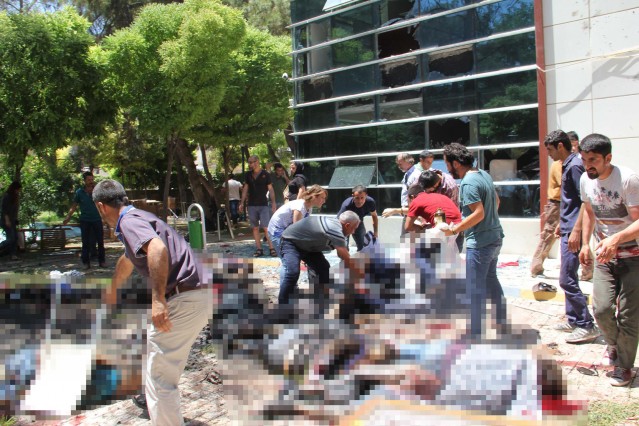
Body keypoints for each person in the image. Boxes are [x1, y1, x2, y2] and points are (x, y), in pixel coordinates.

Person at [94, 179, 210, 424]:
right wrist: (113, 288)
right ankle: (148, 398)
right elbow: (128, 259)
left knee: (160, 378)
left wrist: (157, 300)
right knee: (155, 358)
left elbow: (156, 249)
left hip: (183, 296)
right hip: (196, 292)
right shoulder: (139, 217)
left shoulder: (128, 222)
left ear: (101, 207)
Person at [578, 133, 639, 386]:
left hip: (634, 257)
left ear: (608, 158)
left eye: (593, 160)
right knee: (601, 309)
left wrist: (616, 240)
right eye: (584, 160)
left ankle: (624, 367)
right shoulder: (586, 179)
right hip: (605, 256)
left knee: (629, 316)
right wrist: (585, 244)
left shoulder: (627, 179)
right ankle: (614, 344)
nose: (587, 165)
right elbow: (589, 212)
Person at [442, 143, 506, 339]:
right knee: (491, 280)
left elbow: (478, 213)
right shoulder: (483, 175)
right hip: (495, 237)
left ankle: (475, 333)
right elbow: (496, 202)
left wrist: (454, 229)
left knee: (474, 288)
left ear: (455, 163)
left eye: (447, 164)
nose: (447, 169)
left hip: (480, 243)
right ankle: (501, 321)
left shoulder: (468, 183)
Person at [544, 130, 598, 344]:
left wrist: (576, 231)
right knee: (569, 277)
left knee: (566, 279)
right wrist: (561, 223)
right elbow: (571, 201)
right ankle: (574, 319)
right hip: (567, 227)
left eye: (550, 149)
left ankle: (586, 324)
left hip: (573, 231)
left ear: (560, 146)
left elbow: (586, 201)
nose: (548, 154)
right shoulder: (567, 165)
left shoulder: (575, 166)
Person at [278, 211, 361, 305]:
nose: (353, 232)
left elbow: (343, 255)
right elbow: (345, 256)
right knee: (292, 272)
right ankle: (283, 305)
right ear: (347, 225)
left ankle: (321, 301)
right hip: (291, 242)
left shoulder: (337, 228)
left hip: (308, 246)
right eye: (354, 228)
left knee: (323, 269)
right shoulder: (334, 228)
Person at [268, 185, 327, 256]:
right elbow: (297, 231)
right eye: (322, 198)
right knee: (289, 258)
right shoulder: (300, 207)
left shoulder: (309, 208)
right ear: (314, 196)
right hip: (277, 232)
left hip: (286, 231)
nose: (324, 201)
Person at [63, 172, 106, 269]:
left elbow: (103, 205)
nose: (91, 182)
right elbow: (74, 206)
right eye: (89, 180)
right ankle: (86, 262)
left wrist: (105, 217)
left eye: (92, 179)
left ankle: (102, 261)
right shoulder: (79, 192)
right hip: (85, 220)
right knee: (85, 242)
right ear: (84, 181)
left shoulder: (97, 192)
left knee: (100, 241)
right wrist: (68, 217)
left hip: (97, 219)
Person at [567, 130, 594, 281]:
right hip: (574, 212)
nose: (587, 164)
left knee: (582, 244)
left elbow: (583, 200)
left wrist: (577, 228)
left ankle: (587, 271)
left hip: (579, 213)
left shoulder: (576, 166)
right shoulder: (570, 165)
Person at [405, 183, 463, 251]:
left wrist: (421, 227)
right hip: (459, 227)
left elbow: (408, 227)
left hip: (443, 230)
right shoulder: (439, 196)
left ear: (411, 197)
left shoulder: (416, 201)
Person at [240, 155, 277, 257]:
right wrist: (242, 202)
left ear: (257, 162)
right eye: (249, 162)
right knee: (255, 228)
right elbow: (245, 189)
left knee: (266, 227)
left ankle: (272, 248)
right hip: (251, 205)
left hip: (263, 204)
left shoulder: (265, 174)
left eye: (252, 162)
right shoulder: (248, 175)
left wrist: (273, 202)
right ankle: (259, 249)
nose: (250, 164)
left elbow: (271, 189)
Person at [530, 159, 562, 277]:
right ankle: (536, 266)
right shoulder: (558, 164)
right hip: (557, 203)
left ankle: (587, 269)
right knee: (548, 235)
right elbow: (564, 183)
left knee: (578, 235)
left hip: (564, 203)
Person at [336, 185, 379, 251]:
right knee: (344, 247)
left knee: (363, 247)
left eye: (362, 198)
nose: (360, 201)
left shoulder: (370, 202)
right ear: (353, 196)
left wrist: (375, 232)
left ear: (366, 196)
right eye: (357, 198)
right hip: (345, 225)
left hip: (358, 222)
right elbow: (338, 221)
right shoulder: (347, 205)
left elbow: (374, 216)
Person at [0, 181, 21, 261]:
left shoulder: (15, 197)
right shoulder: (7, 196)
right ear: (14, 189)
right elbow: (4, 210)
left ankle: (13, 254)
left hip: (12, 220)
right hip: (6, 220)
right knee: (11, 238)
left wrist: (16, 219)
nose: (18, 191)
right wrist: (7, 220)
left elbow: (15, 210)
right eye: (17, 189)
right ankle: (2, 246)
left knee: (15, 237)